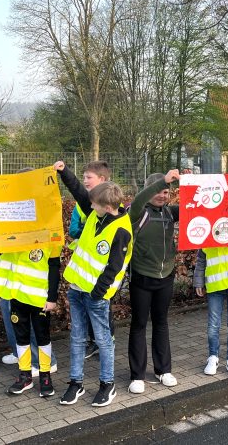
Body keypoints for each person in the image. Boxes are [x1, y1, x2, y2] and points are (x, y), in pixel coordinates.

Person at [54, 161, 135, 408]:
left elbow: (114, 267)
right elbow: (80, 192)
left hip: (97, 296)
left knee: (103, 340)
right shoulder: (95, 212)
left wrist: (98, 293)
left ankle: (106, 384)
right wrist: (64, 172)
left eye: (95, 204)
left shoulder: (121, 230)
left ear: (108, 207)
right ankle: (75, 383)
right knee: (77, 337)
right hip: (77, 290)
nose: (90, 206)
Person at [126, 170, 181, 394]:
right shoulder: (137, 212)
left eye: (166, 192)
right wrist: (162, 181)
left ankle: (163, 370)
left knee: (161, 322)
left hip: (165, 277)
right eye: (158, 190)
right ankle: (137, 375)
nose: (161, 195)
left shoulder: (169, 212)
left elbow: (199, 209)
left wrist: (192, 184)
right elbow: (138, 200)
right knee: (139, 324)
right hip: (141, 276)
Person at [0, 240, 61, 397]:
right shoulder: (14, 232)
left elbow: (55, 266)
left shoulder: (50, 234)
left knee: (43, 338)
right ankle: (25, 376)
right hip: (17, 296)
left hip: (39, 299)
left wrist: (52, 297)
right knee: (21, 338)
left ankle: (45, 376)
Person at [68, 161, 113, 360]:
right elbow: (74, 228)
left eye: (88, 177)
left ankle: (105, 344)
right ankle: (96, 342)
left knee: (102, 311)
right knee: (89, 309)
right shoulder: (86, 204)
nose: (84, 181)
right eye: (83, 177)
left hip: (102, 273)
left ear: (102, 180)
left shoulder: (112, 206)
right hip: (85, 271)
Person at [193, 245, 228, 379]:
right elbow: (201, 258)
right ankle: (213, 357)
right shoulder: (210, 229)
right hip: (216, 282)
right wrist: (198, 281)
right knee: (213, 325)